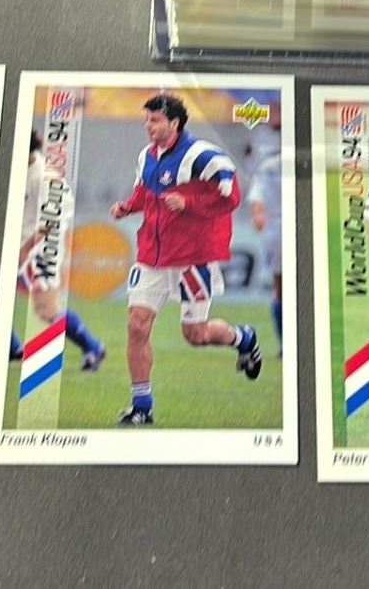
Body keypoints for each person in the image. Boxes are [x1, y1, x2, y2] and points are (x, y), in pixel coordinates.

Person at [108, 94, 261, 426]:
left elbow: (231, 196)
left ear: (174, 123)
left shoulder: (203, 156)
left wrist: (188, 202)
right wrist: (127, 207)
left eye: (155, 120)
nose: (148, 126)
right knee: (136, 326)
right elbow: (145, 193)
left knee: (195, 335)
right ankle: (142, 407)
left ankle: (244, 338)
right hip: (152, 255)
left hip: (193, 258)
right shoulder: (146, 156)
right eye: (147, 120)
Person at [8, 130, 106, 370]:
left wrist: (25, 249)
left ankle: (92, 347)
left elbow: (50, 221)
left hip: (42, 248)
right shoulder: (22, 170)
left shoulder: (43, 176)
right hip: (23, 243)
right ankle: (12, 348)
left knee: (47, 309)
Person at [247, 136, 284, 357]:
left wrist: (258, 215)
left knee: (280, 288)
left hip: (275, 231)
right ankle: (290, 341)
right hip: (286, 227)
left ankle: (285, 343)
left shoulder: (267, 167)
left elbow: (256, 199)